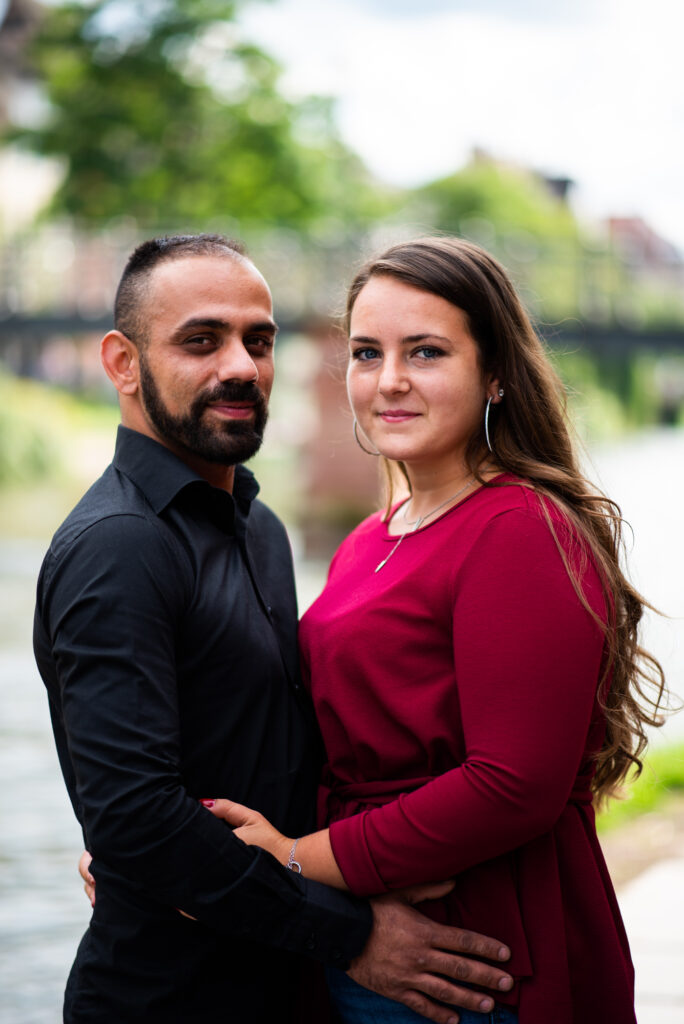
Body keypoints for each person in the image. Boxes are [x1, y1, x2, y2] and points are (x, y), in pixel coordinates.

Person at [35, 233, 515, 1024]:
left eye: (258, 341)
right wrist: (353, 934)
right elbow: (137, 822)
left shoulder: (257, 529)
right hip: (170, 1000)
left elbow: (275, 747)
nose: (241, 367)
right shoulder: (120, 546)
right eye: (201, 341)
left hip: (287, 985)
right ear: (122, 363)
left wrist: (364, 856)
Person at [199, 236, 667, 1024]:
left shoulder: (519, 528)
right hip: (360, 931)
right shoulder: (371, 538)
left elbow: (512, 787)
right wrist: (165, 852)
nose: (389, 380)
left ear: (496, 374)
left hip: (478, 959)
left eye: (425, 352)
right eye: (367, 353)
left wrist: (297, 858)